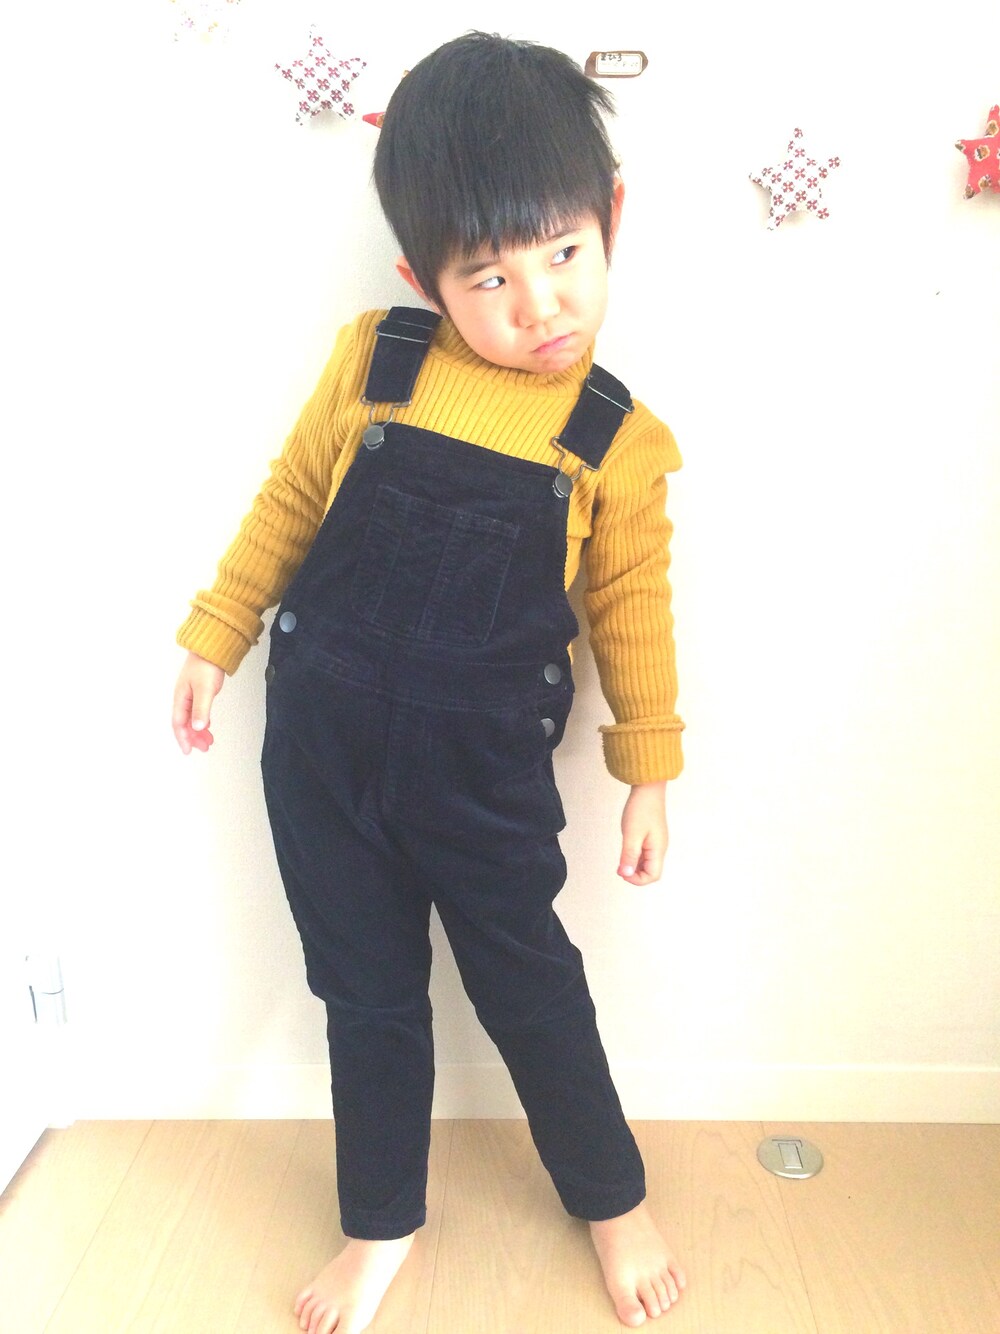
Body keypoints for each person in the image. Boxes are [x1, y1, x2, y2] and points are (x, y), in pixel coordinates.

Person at [172, 31, 686, 1334]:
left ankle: (612, 1199)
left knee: (532, 987)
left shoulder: (612, 438)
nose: (540, 304)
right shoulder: (376, 362)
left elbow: (632, 608)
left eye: (564, 254)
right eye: (490, 277)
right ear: (424, 278)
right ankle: (379, 1223)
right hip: (324, 757)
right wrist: (216, 630)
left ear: (612, 220)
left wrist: (648, 769)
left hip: (482, 782)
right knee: (364, 995)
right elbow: (292, 501)